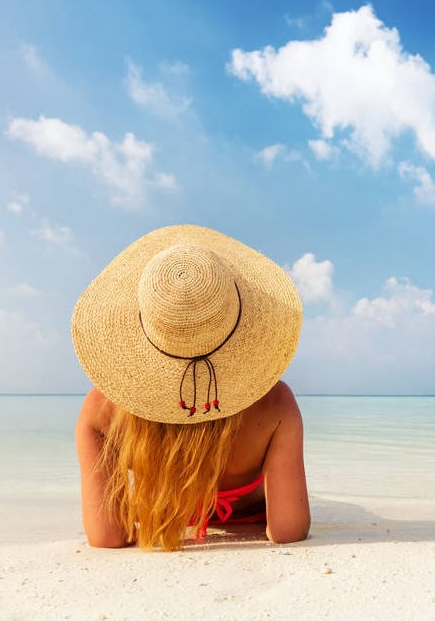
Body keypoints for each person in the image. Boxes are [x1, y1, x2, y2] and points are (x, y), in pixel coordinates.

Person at [73, 224, 310, 551]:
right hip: (248, 515)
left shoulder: (101, 408)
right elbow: (288, 530)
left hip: (165, 514)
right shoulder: (274, 404)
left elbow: (106, 537)